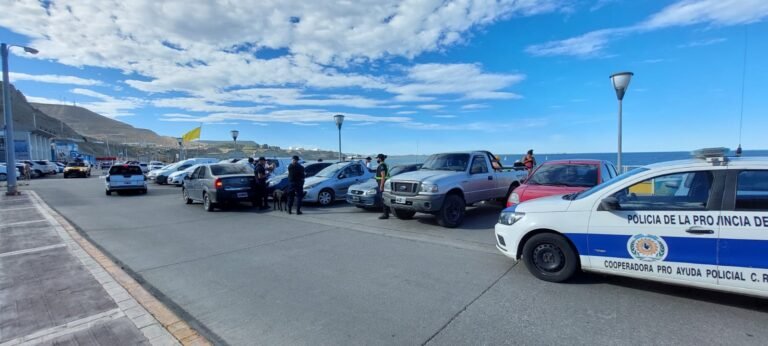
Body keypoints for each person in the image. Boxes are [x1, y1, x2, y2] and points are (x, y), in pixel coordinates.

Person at [375, 153, 390, 220]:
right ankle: (386, 213)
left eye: (377, 158)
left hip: (382, 183)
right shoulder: (383, 165)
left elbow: (383, 176)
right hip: (381, 183)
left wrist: (381, 186)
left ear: (380, 159)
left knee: (383, 199)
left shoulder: (382, 166)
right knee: (383, 198)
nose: (377, 159)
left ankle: (385, 214)